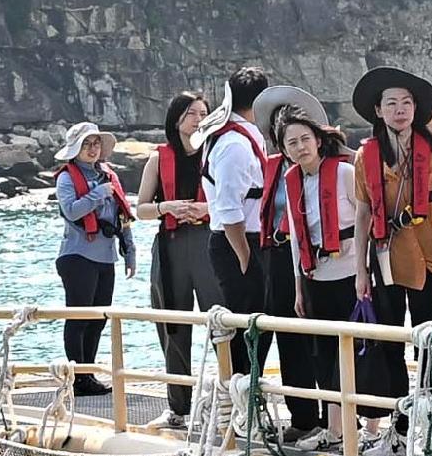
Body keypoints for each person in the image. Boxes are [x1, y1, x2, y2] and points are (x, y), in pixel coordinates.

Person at [353, 65, 432, 456]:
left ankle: (428, 421)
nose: (400, 110)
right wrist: (360, 270)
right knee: (389, 343)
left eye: (407, 103)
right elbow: (363, 215)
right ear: (378, 111)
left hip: (428, 253)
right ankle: (398, 427)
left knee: (427, 340)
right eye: (392, 103)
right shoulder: (366, 156)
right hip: (384, 255)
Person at [255, 111, 362, 445]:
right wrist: (300, 287)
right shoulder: (292, 181)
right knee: (324, 355)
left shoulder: (344, 173)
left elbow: (366, 219)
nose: (300, 147)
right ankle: (336, 430)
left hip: (351, 275)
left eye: (305, 139)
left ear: (318, 141)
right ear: (284, 150)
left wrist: (366, 272)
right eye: (292, 143)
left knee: (354, 353)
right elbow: (295, 242)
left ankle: (353, 427)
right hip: (316, 278)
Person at [200, 66, 276, 388]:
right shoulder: (234, 143)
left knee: (258, 323)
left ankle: (246, 389)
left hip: (246, 239)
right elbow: (230, 208)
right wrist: (245, 255)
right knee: (246, 324)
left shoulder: (234, 137)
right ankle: (240, 391)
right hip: (239, 242)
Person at [143, 91, 216, 419]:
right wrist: (166, 206)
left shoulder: (217, 153)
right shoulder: (159, 158)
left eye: (203, 113)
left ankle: (233, 401)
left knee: (222, 321)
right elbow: (140, 208)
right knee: (172, 325)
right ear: (176, 119)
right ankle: (178, 407)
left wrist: (205, 210)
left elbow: (236, 201)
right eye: (191, 113)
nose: (198, 119)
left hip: (209, 243)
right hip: (171, 246)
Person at [52, 120, 135, 401]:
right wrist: (97, 194)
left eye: (95, 143)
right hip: (77, 256)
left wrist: (130, 250)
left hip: (104, 257)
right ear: (75, 149)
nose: (92, 148)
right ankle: (78, 377)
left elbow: (121, 217)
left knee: (98, 318)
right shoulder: (67, 178)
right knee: (78, 317)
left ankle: (88, 374)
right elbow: (72, 211)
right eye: (86, 144)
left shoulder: (108, 176)